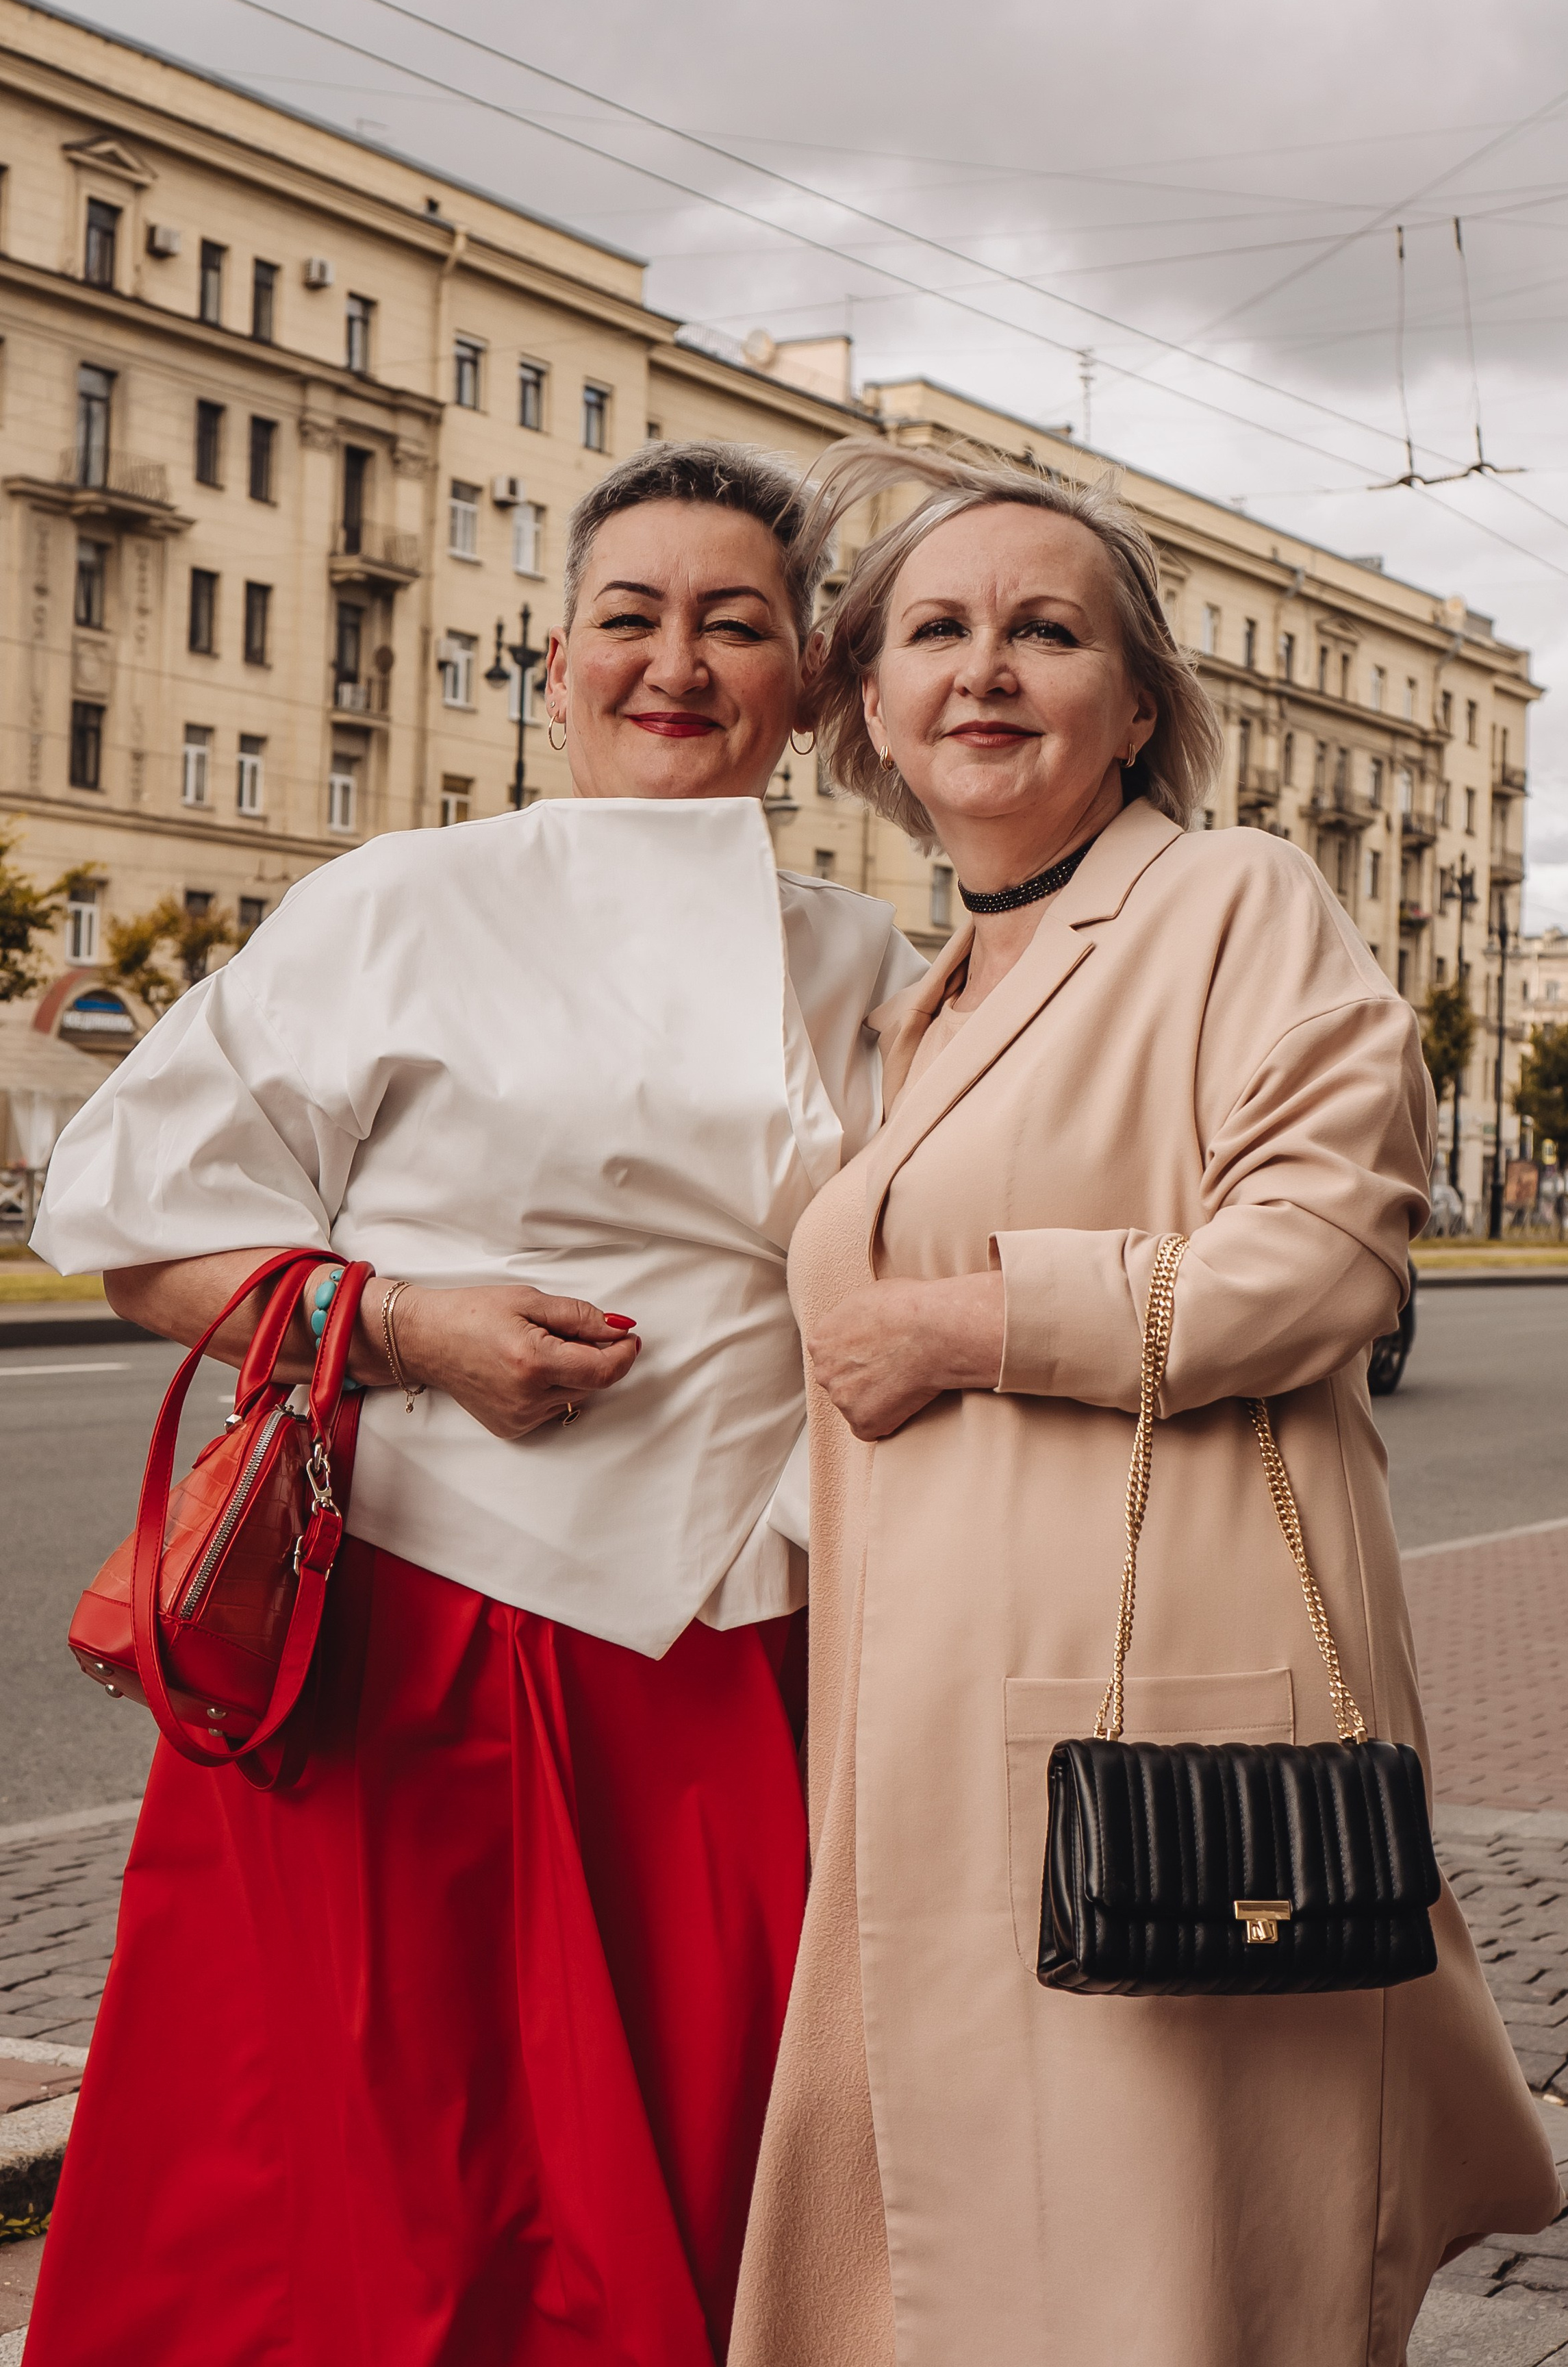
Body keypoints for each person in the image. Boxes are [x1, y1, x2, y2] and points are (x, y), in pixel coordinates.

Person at [29, 442, 924, 2367]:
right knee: (391, 2191)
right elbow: (129, 1225)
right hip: (414, 1635)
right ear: (554, 665)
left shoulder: (880, 965)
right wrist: (401, 1324)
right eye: (629, 618)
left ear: (809, 680)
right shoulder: (400, 897)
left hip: (739, 1652)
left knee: (716, 2179)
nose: (673, 661)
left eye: (733, 623)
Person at [728, 442, 1560, 2367]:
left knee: (1162, 2263)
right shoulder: (920, 994)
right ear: (869, 704)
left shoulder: (1231, 901)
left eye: (1047, 630)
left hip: (1162, 1731)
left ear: (1138, 705)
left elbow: (1329, 1258)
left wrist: (968, 1325)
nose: (987, 668)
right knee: (973, 2262)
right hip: (932, 1736)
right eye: (937, 630)